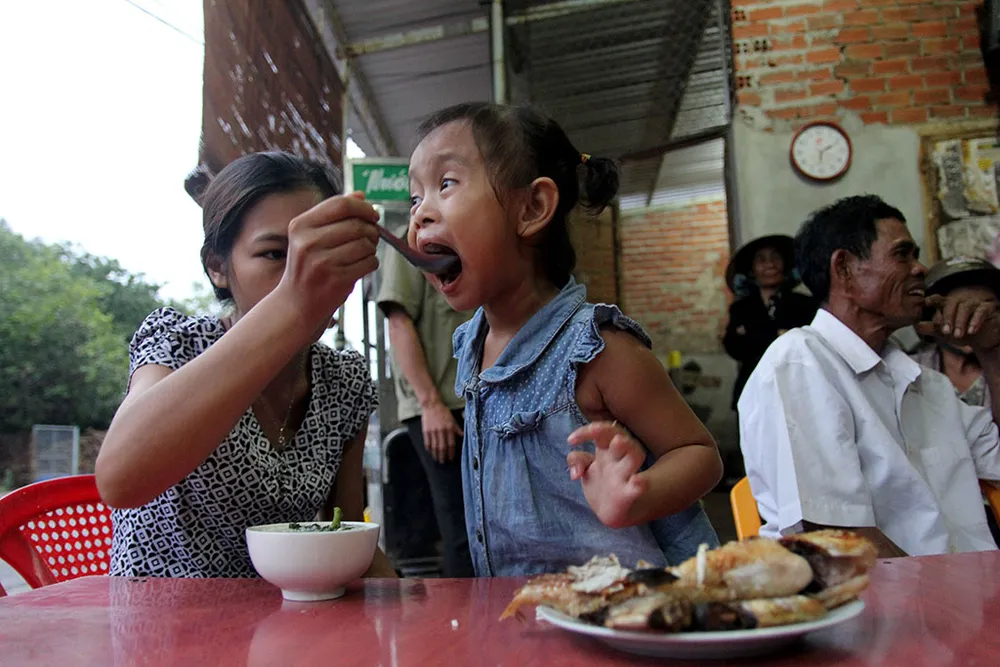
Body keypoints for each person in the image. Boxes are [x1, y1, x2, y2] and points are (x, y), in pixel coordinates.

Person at [405, 102, 723, 577]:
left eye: (446, 184)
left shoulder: (596, 348)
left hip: (627, 618)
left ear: (532, 208)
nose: (420, 215)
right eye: (414, 198)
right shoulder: (470, 344)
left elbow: (700, 455)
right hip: (528, 620)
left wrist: (636, 498)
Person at [96, 151, 396, 578]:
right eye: (276, 255)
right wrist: (291, 306)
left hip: (282, 632)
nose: (305, 272)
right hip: (157, 631)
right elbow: (119, 479)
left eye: (321, 252)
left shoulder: (343, 382)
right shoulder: (178, 343)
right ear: (218, 267)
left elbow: (346, 541)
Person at [738, 194, 1000, 559]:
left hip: (972, 590)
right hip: (896, 604)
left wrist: (992, 350)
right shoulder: (801, 362)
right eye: (902, 254)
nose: (921, 269)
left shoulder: (927, 384)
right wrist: (952, 600)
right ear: (844, 268)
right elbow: (836, 536)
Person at [376, 244, 475, 577]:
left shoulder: (474, 230)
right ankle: (464, 625)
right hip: (441, 407)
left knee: (491, 529)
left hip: (483, 401)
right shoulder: (409, 241)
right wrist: (430, 404)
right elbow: (398, 323)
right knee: (462, 530)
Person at [722, 235, 817, 410]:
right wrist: (778, 334)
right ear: (752, 270)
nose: (770, 265)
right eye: (761, 260)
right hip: (753, 392)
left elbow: (808, 345)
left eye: (776, 258)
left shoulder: (805, 305)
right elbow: (733, 346)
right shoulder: (740, 309)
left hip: (798, 392)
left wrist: (752, 333)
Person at [908, 257, 1000, 408]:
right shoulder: (908, 369)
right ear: (932, 316)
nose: (974, 320)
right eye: (959, 309)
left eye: (986, 310)